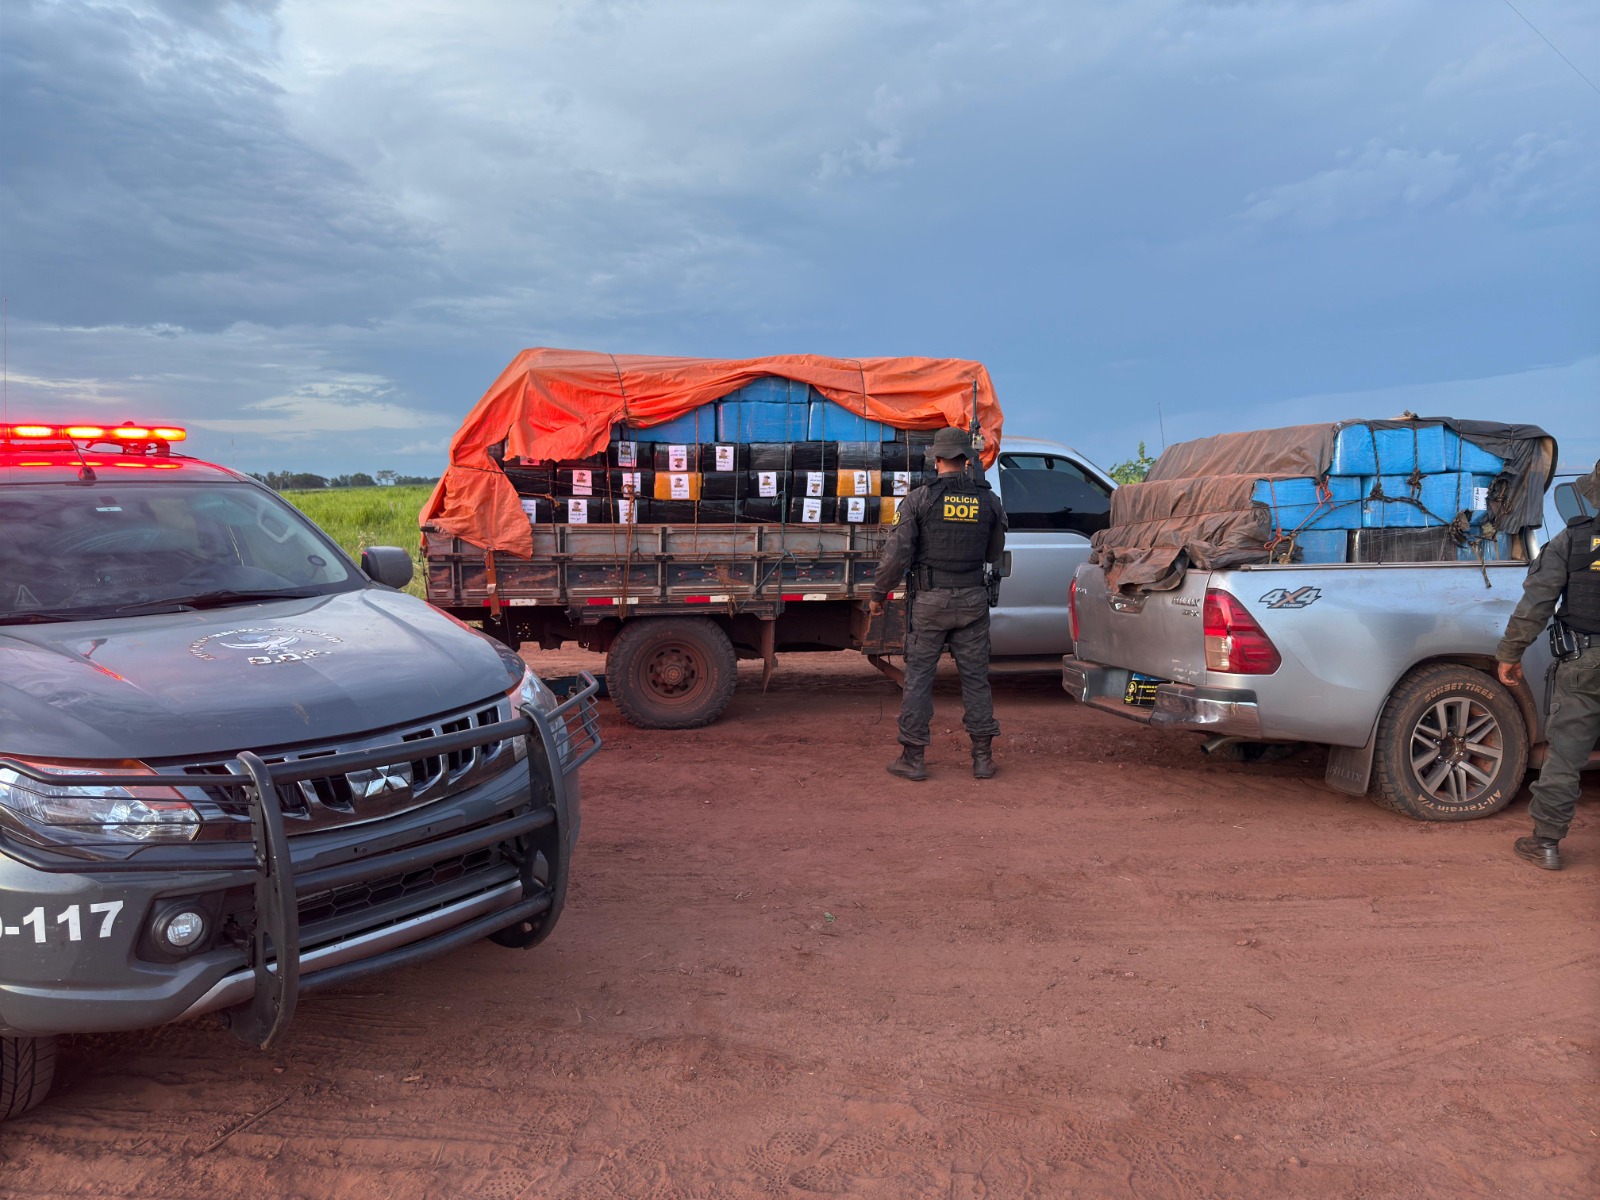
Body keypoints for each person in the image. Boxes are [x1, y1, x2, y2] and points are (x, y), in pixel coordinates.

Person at [869, 426, 1007, 781]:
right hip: (973, 600)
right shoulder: (990, 501)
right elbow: (994, 553)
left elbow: (897, 554)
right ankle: (982, 759)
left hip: (930, 603)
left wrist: (877, 594)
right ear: (966, 460)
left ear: (939, 460)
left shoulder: (919, 499)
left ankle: (913, 758)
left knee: (918, 679)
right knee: (976, 680)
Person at [1495, 459, 1600, 871]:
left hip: (1585, 665)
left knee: (1566, 757)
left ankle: (1547, 844)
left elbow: (1535, 606)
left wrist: (1509, 654)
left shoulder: (1572, 542)